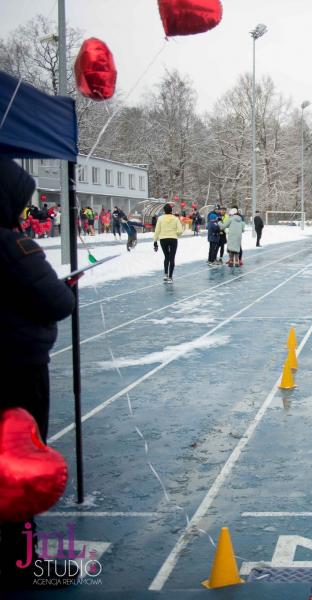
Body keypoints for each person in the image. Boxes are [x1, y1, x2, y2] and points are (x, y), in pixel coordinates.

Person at [0, 159, 77, 589]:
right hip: (16, 371)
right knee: (19, 467)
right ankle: (22, 560)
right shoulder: (15, 246)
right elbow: (56, 303)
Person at [153, 203, 184, 283]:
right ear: (171, 210)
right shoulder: (175, 218)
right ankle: (170, 277)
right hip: (173, 239)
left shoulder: (160, 218)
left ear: (164, 211)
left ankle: (165, 274)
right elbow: (180, 231)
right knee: (172, 257)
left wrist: (155, 241)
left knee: (166, 256)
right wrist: (175, 234)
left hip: (163, 239)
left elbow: (157, 231)